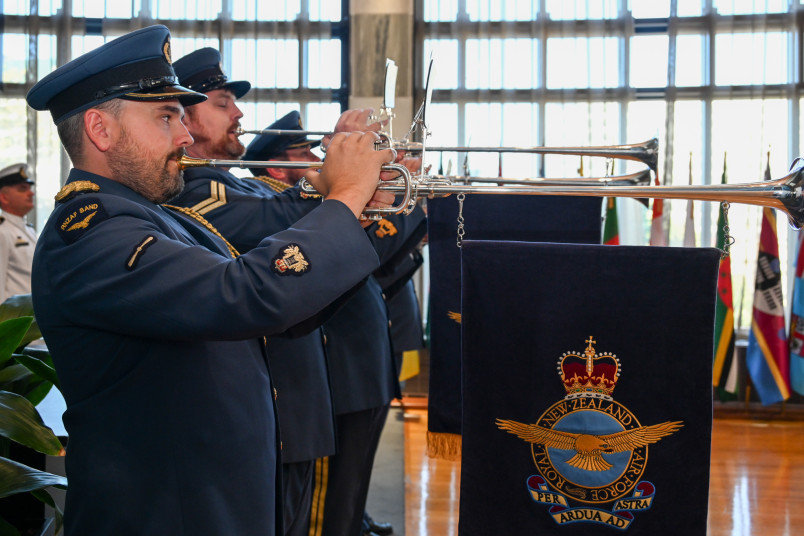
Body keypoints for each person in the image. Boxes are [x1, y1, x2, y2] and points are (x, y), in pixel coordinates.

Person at [25, 25, 394, 536]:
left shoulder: (159, 217)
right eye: (166, 116)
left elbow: (270, 304)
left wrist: (349, 207)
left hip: (212, 500)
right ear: (100, 130)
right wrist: (344, 196)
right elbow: (244, 294)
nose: (184, 136)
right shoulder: (91, 231)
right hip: (165, 513)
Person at [171, 48, 426, 535]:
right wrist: (345, 173)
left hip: (302, 389)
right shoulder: (196, 190)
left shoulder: (237, 186)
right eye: (224, 103)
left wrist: (376, 184)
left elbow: (307, 222)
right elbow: (280, 224)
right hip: (279, 395)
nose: (239, 113)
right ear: (185, 115)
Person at [0, 163, 36, 302]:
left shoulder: (29, 229)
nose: (31, 193)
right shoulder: (2, 232)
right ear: (4, 197)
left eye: (29, 188)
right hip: (13, 319)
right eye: (22, 189)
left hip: (31, 315)